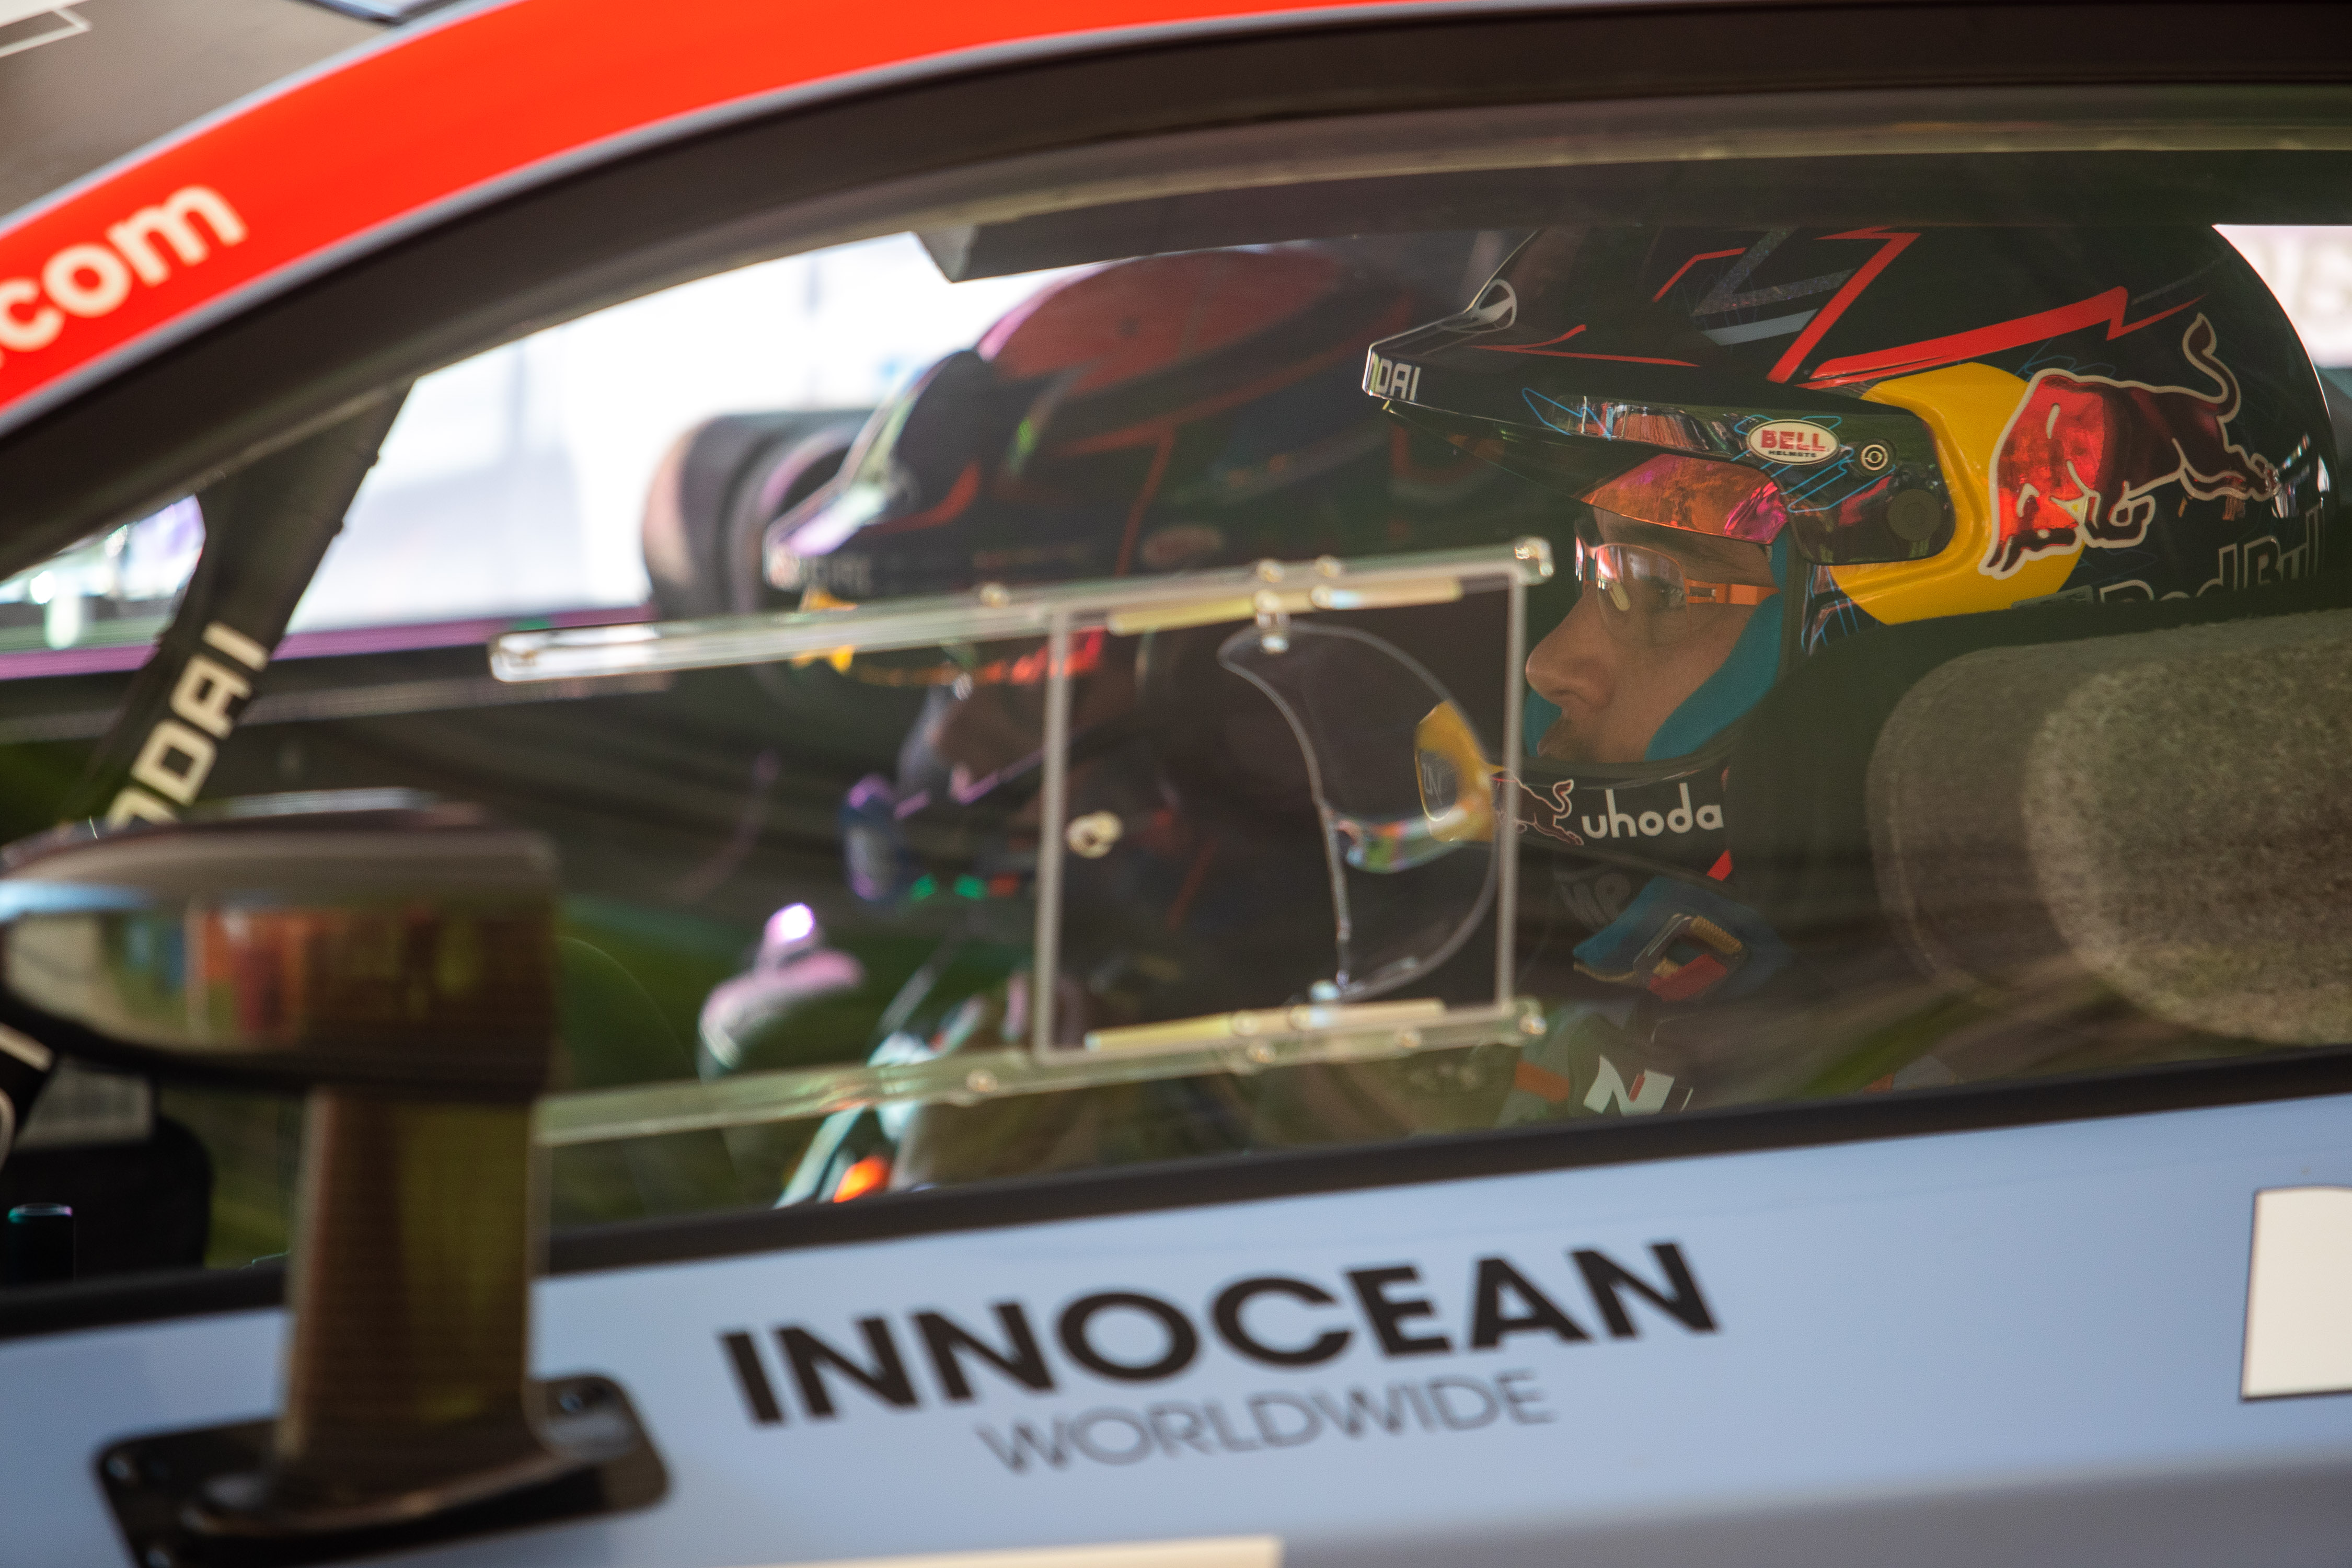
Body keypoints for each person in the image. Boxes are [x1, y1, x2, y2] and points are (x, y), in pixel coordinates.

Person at [1361, 223, 2338, 1120]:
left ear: (1948, 623)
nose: (1551, 664)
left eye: (1655, 585)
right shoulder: (1665, 991)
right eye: (1596, 567)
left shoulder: (2071, 1120)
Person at [740, 241, 1546, 1196]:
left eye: (1020, 673)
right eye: (956, 675)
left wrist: (947, 1208)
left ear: (1255, 686)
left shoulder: (1423, 1072)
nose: (951, 740)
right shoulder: (1050, 988)